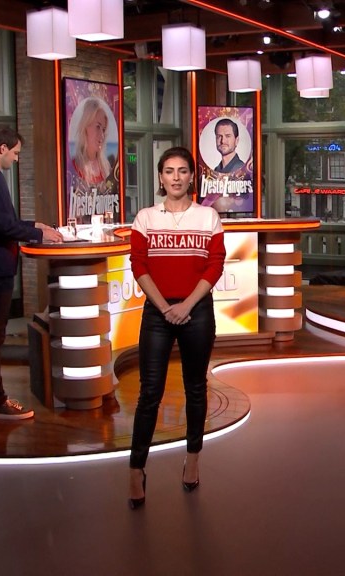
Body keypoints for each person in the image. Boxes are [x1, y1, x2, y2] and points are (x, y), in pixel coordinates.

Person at [127, 146, 225, 510]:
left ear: (191, 177)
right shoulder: (145, 219)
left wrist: (186, 305)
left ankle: (193, 459)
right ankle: (136, 469)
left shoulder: (208, 217)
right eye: (169, 171)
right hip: (157, 312)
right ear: (160, 177)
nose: (176, 177)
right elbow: (139, 265)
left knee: (195, 388)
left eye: (182, 171)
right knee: (149, 392)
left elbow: (215, 265)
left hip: (196, 311)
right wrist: (165, 307)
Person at [0, 128, 63, 420]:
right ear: (3, 149)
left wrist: (35, 225)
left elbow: (4, 220)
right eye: (16, 153)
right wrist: (40, 235)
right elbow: (4, 227)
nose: (17, 159)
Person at [71, 98, 112, 192]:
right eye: (98, 127)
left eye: (103, 129)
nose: (102, 135)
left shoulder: (106, 167)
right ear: (85, 127)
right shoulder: (75, 166)